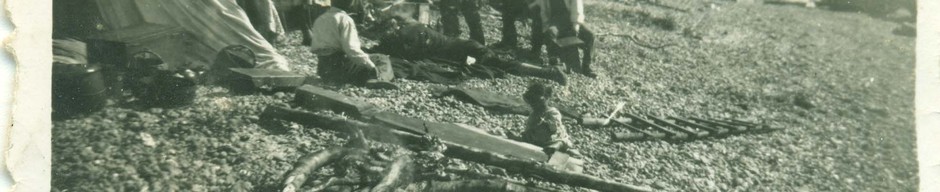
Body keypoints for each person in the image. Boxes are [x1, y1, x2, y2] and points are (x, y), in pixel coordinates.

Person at [370, 16, 567, 85]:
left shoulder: (411, 34)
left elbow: (411, 52)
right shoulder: (406, 32)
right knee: (502, 63)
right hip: (462, 49)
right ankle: (549, 72)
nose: (384, 36)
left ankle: (548, 73)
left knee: (501, 63)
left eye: (385, 32)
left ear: (393, 28)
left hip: (468, 51)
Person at [308, 0, 383, 86]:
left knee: (363, 60)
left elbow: (315, 47)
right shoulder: (345, 19)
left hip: (323, 69)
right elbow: (352, 50)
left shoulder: (320, 19)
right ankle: (379, 79)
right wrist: (371, 66)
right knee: (380, 58)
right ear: (350, 4)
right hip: (340, 68)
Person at [533, 0, 596, 78]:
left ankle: (586, 67)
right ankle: (555, 65)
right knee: (550, 33)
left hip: (571, 20)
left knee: (590, 35)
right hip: (555, 22)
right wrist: (546, 25)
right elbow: (544, 11)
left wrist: (575, 24)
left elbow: (577, 7)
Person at [519, 83, 580, 157]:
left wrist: (546, 123)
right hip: (536, 138)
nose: (535, 105)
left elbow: (554, 129)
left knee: (561, 142)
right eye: (532, 102)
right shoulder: (534, 114)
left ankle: (556, 147)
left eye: (538, 101)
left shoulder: (552, 112)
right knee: (526, 137)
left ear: (547, 98)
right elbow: (529, 127)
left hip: (552, 138)